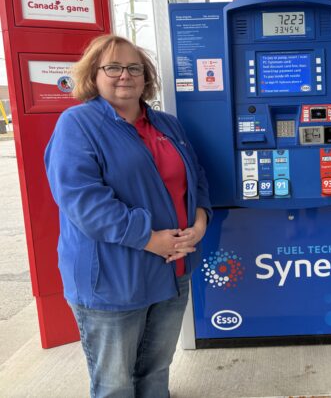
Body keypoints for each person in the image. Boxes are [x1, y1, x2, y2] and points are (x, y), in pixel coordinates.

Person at [44, 34, 212, 398]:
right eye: (113, 67)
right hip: (113, 278)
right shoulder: (78, 124)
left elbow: (196, 177)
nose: (125, 75)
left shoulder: (167, 124)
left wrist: (199, 223)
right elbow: (84, 201)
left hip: (172, 270)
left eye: (134, 68)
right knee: (115, 384)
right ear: (93, 75)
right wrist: (150, 239)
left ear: (145, 76)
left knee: (155, 370)